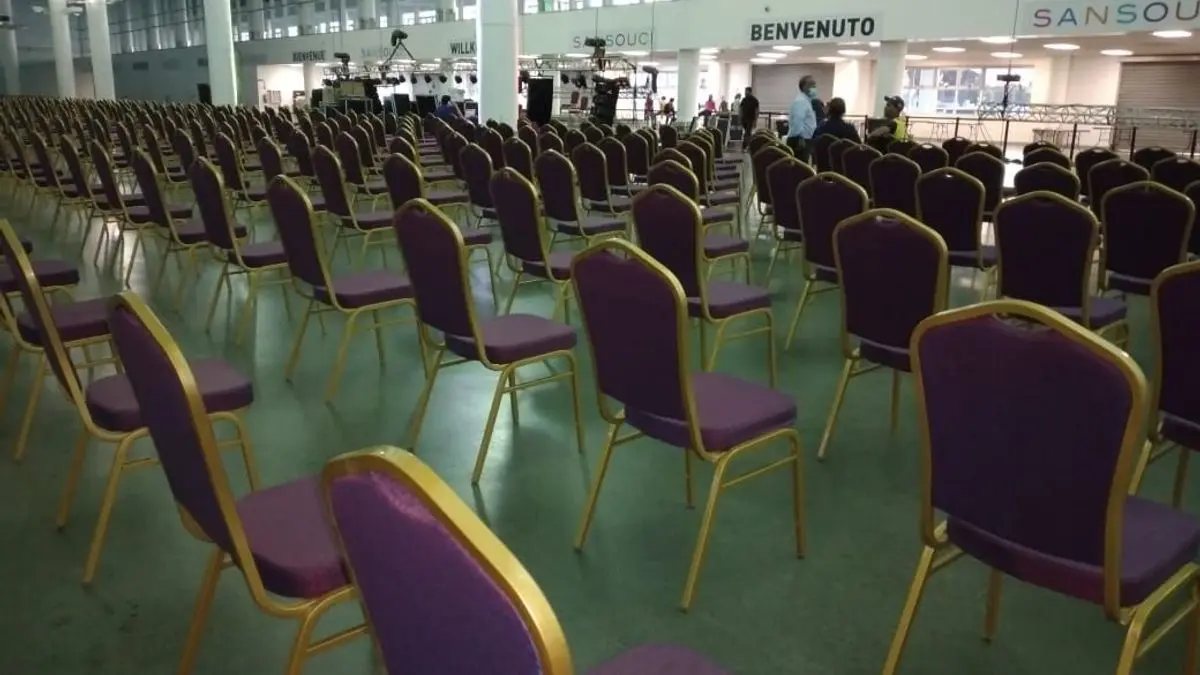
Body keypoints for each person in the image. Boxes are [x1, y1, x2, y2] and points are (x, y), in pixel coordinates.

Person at [786, 76, 818, 162]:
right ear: (804, 87)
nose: (814, 88)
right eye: (811, 85)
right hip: (800, 140)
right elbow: (797, 121)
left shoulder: (806, 101)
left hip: (804, 139)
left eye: (815, 85)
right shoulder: (801, 101)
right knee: (800, 167)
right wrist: (800, 137)